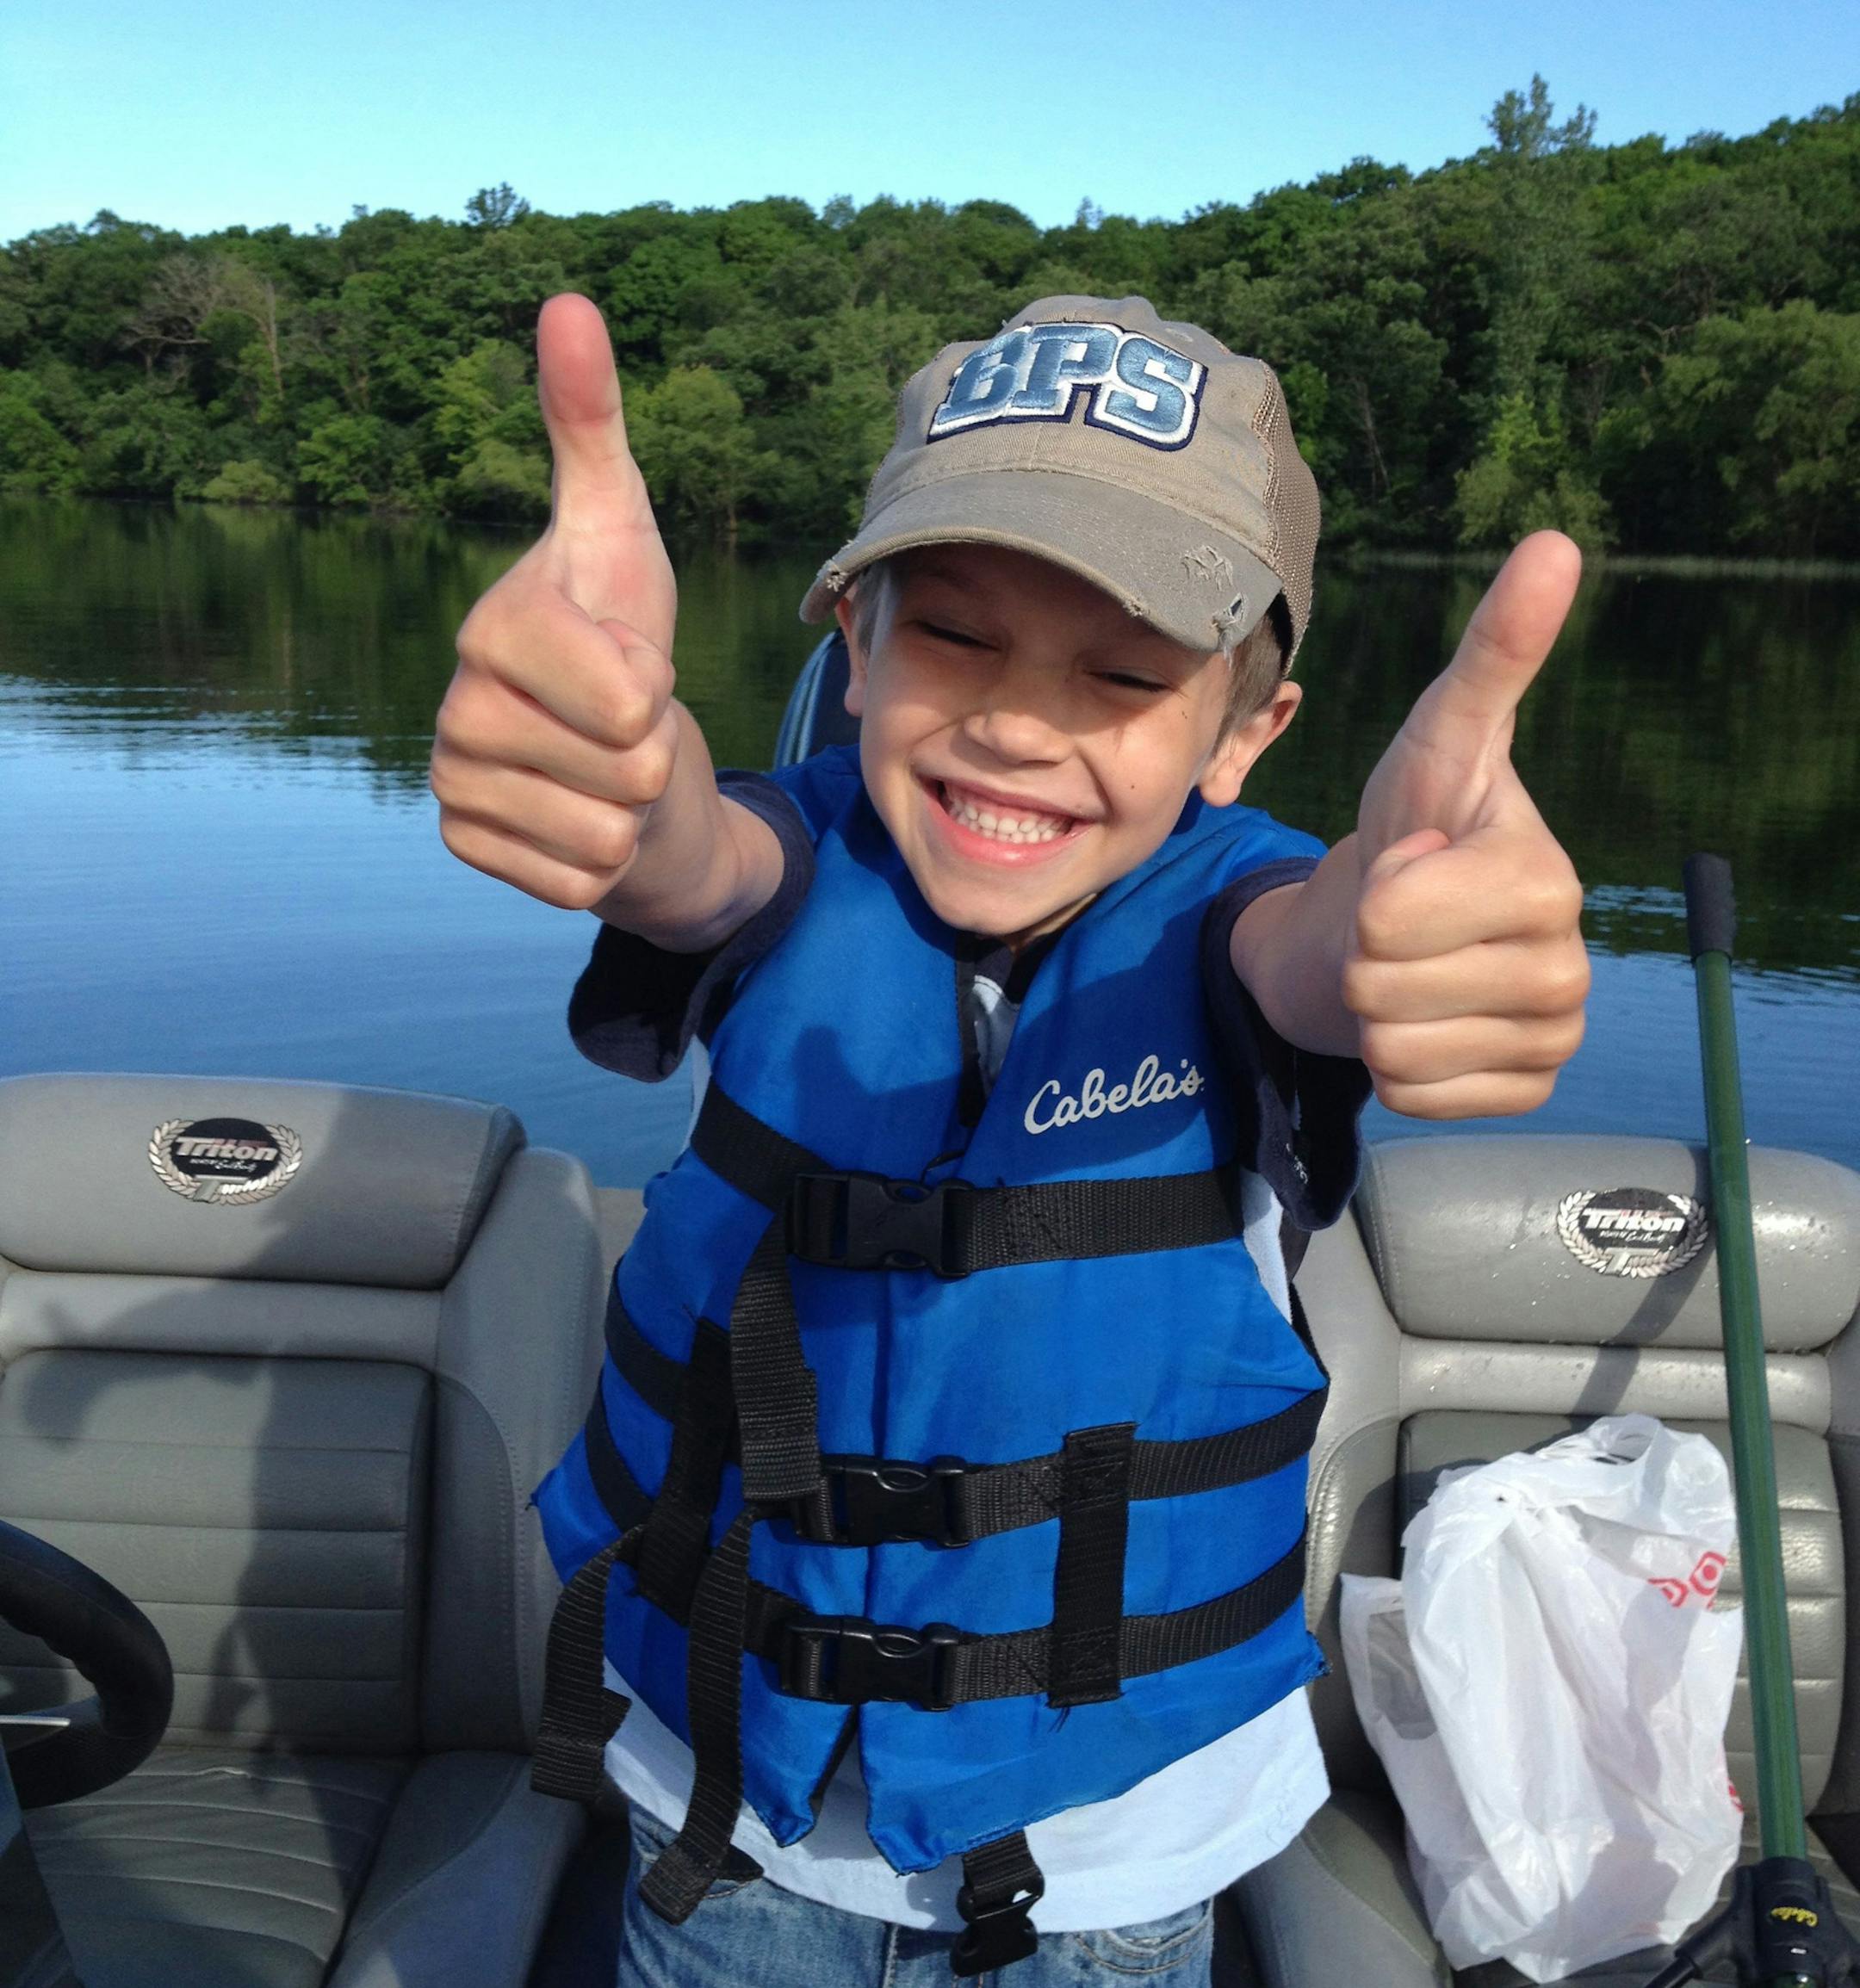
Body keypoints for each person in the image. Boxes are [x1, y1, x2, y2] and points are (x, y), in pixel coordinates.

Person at [431, 291, 1589, 1988]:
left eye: (1126, 673)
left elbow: (1319, 952)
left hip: (1107, 1859)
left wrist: (1407, 932)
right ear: (855, 634)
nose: (1021, 726)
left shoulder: (1244, 919)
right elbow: (690, 856)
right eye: (956, 638)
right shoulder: (793, 857)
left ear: (1247, 730)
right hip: (726, 1821)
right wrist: (615, 774)